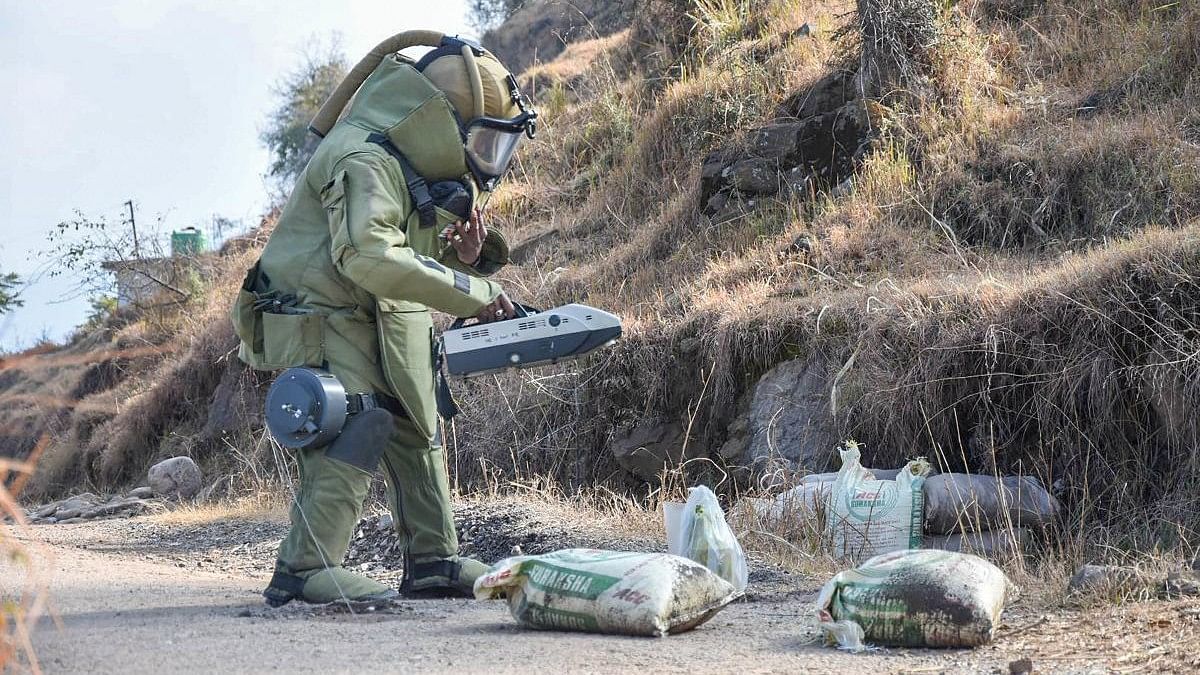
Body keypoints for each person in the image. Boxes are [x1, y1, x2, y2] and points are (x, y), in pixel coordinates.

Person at [230, 31, 537, 604]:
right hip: (322, 311)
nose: (489, 161)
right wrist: (473, 291)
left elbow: (404, 252)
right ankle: (304, 569)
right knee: (358, 415)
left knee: (416, 423)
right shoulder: (363, 157)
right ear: (441, 123)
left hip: (373, 307)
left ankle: (432, 561)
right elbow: (369, 254)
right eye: (483, 142)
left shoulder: (405, 161)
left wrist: (468, 258)